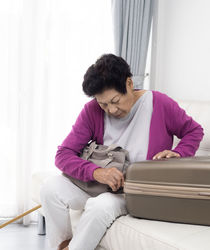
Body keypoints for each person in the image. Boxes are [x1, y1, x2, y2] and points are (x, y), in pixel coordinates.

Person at [40, 54, 204, 250]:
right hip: (98, 184)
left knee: (99, 206)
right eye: (103, 104)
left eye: (115, 101)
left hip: (131, 192)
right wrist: (96, 172)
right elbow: (63, 154)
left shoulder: (159, 103)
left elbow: (194, 131)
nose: (111, 110)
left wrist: (179, 153)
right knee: (50, 188)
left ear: (128, 83)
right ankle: (62, 246)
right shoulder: (92, 111)